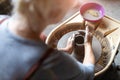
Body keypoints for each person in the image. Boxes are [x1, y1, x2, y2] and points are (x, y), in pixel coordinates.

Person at [0, 0, 95, 80]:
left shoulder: (2, 19)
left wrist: (64, 51)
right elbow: (88, 73)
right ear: (55, 14)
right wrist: (88, 43)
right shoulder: (47, 60)